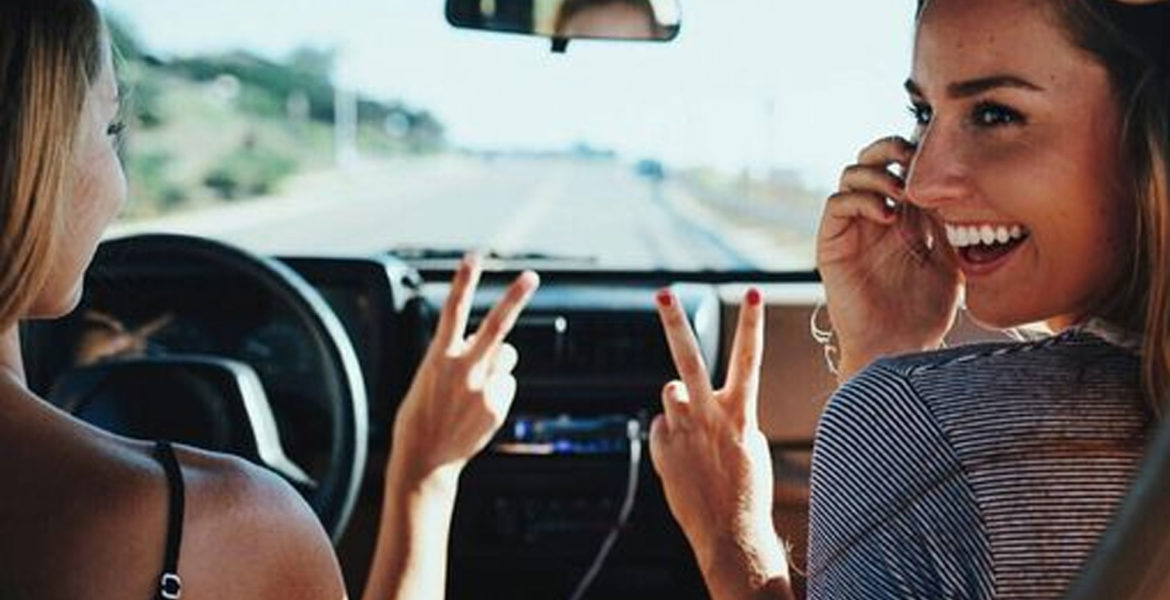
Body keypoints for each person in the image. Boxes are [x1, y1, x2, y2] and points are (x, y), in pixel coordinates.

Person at [0, 1, 539, 598]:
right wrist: (425, 472)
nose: (119, 187)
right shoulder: (221, 525)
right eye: (108, 129)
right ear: (29, 162)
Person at [649, 0, 1170, 598]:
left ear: (1153, 133)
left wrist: (729, 540)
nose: (921, 183)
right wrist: (886, 354)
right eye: (923, 114)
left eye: (995, 114)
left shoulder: (931, 425)